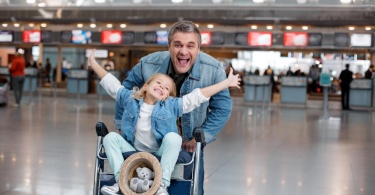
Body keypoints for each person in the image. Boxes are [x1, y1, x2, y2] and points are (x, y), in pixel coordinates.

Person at [87, 49, 240, 195]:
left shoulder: (170, 105)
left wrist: (226, 83)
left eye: (166, 88)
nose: (161, 87)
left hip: (159, 152)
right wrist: (93, 64)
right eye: (158, 83)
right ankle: (121, 182)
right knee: (110, 138)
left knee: (174, 138)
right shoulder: (130, 99)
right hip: (133, 150)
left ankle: (161, 185)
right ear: (146, 86)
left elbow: (197, 96)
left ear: (167, 96)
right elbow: (111, 84)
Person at [113, 20, 233, 194]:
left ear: (198, 48)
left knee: (188, 189)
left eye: (190, 46)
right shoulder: (148, 64)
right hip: (147, 143)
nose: (183, 51)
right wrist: (122, 127)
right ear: (169, 46)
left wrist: (201, 138)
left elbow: (222, 108)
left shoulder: (213, 70)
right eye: (177, 45)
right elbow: (124, 92)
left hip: (187, 143)